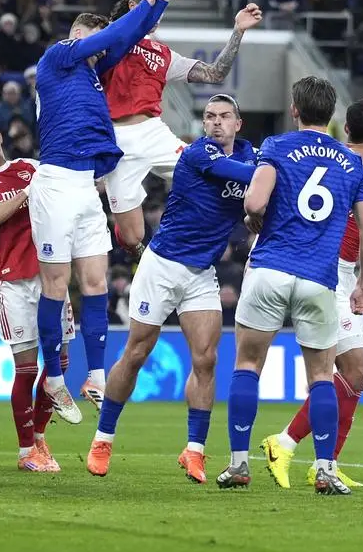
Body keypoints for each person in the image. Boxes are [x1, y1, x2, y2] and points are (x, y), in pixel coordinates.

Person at [83, 0, 260, 410]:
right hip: (117, 138)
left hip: (153, 132)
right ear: (132, 4)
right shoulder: (115, 38)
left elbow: (215, 74)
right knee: (129, 235)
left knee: (212, 172)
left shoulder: (164, 55)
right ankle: (151, 264)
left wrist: (237, 31)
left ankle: (248, 231)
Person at [28, 0, 181, 428]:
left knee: (96, 282)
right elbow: (119, 33)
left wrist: (163, 0)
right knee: (57, 286)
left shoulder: (91, 71)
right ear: (78, 35)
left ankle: (95, 375)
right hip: (55, 180)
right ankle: (53, 378)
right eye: (94, 45)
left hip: (86, 187)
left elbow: (128, 36)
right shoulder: (59, 56)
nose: (101, 54)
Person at [218, 76, 363, 494]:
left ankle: (238, 464)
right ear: (332, 115)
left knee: (248, 365)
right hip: (319, 278)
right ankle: (325, 470)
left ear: (294, 110)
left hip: (270, 268)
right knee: (323, 375)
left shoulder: (275, 146)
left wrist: (257, 218)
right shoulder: (352, 164)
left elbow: (254, 202)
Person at [85, 94, 257, 482]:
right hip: (161, 265)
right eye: (209, 116)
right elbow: (250, 180)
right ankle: (103, 438)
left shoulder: (252, 157)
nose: (215, 123)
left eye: (224, 116)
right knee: (137, 351)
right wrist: (272, 173)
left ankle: (194, 450)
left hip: (200, 274)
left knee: (206, 359)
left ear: (238, 123)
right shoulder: (199, 155)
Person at [261, 99, 363, 490]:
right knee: (351, 370)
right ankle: (283, 443)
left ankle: (327, 465)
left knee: (357, 374)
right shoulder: (346, 166)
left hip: (346, 272)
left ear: (347, 128)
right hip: (330, 274)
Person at [0, 112, 74, 472]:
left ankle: (39, 440)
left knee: (61, 363)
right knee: (26, 369)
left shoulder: (31, 167)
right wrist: (27, 192)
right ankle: (26, 452)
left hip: (51, 276)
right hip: (15, 281)